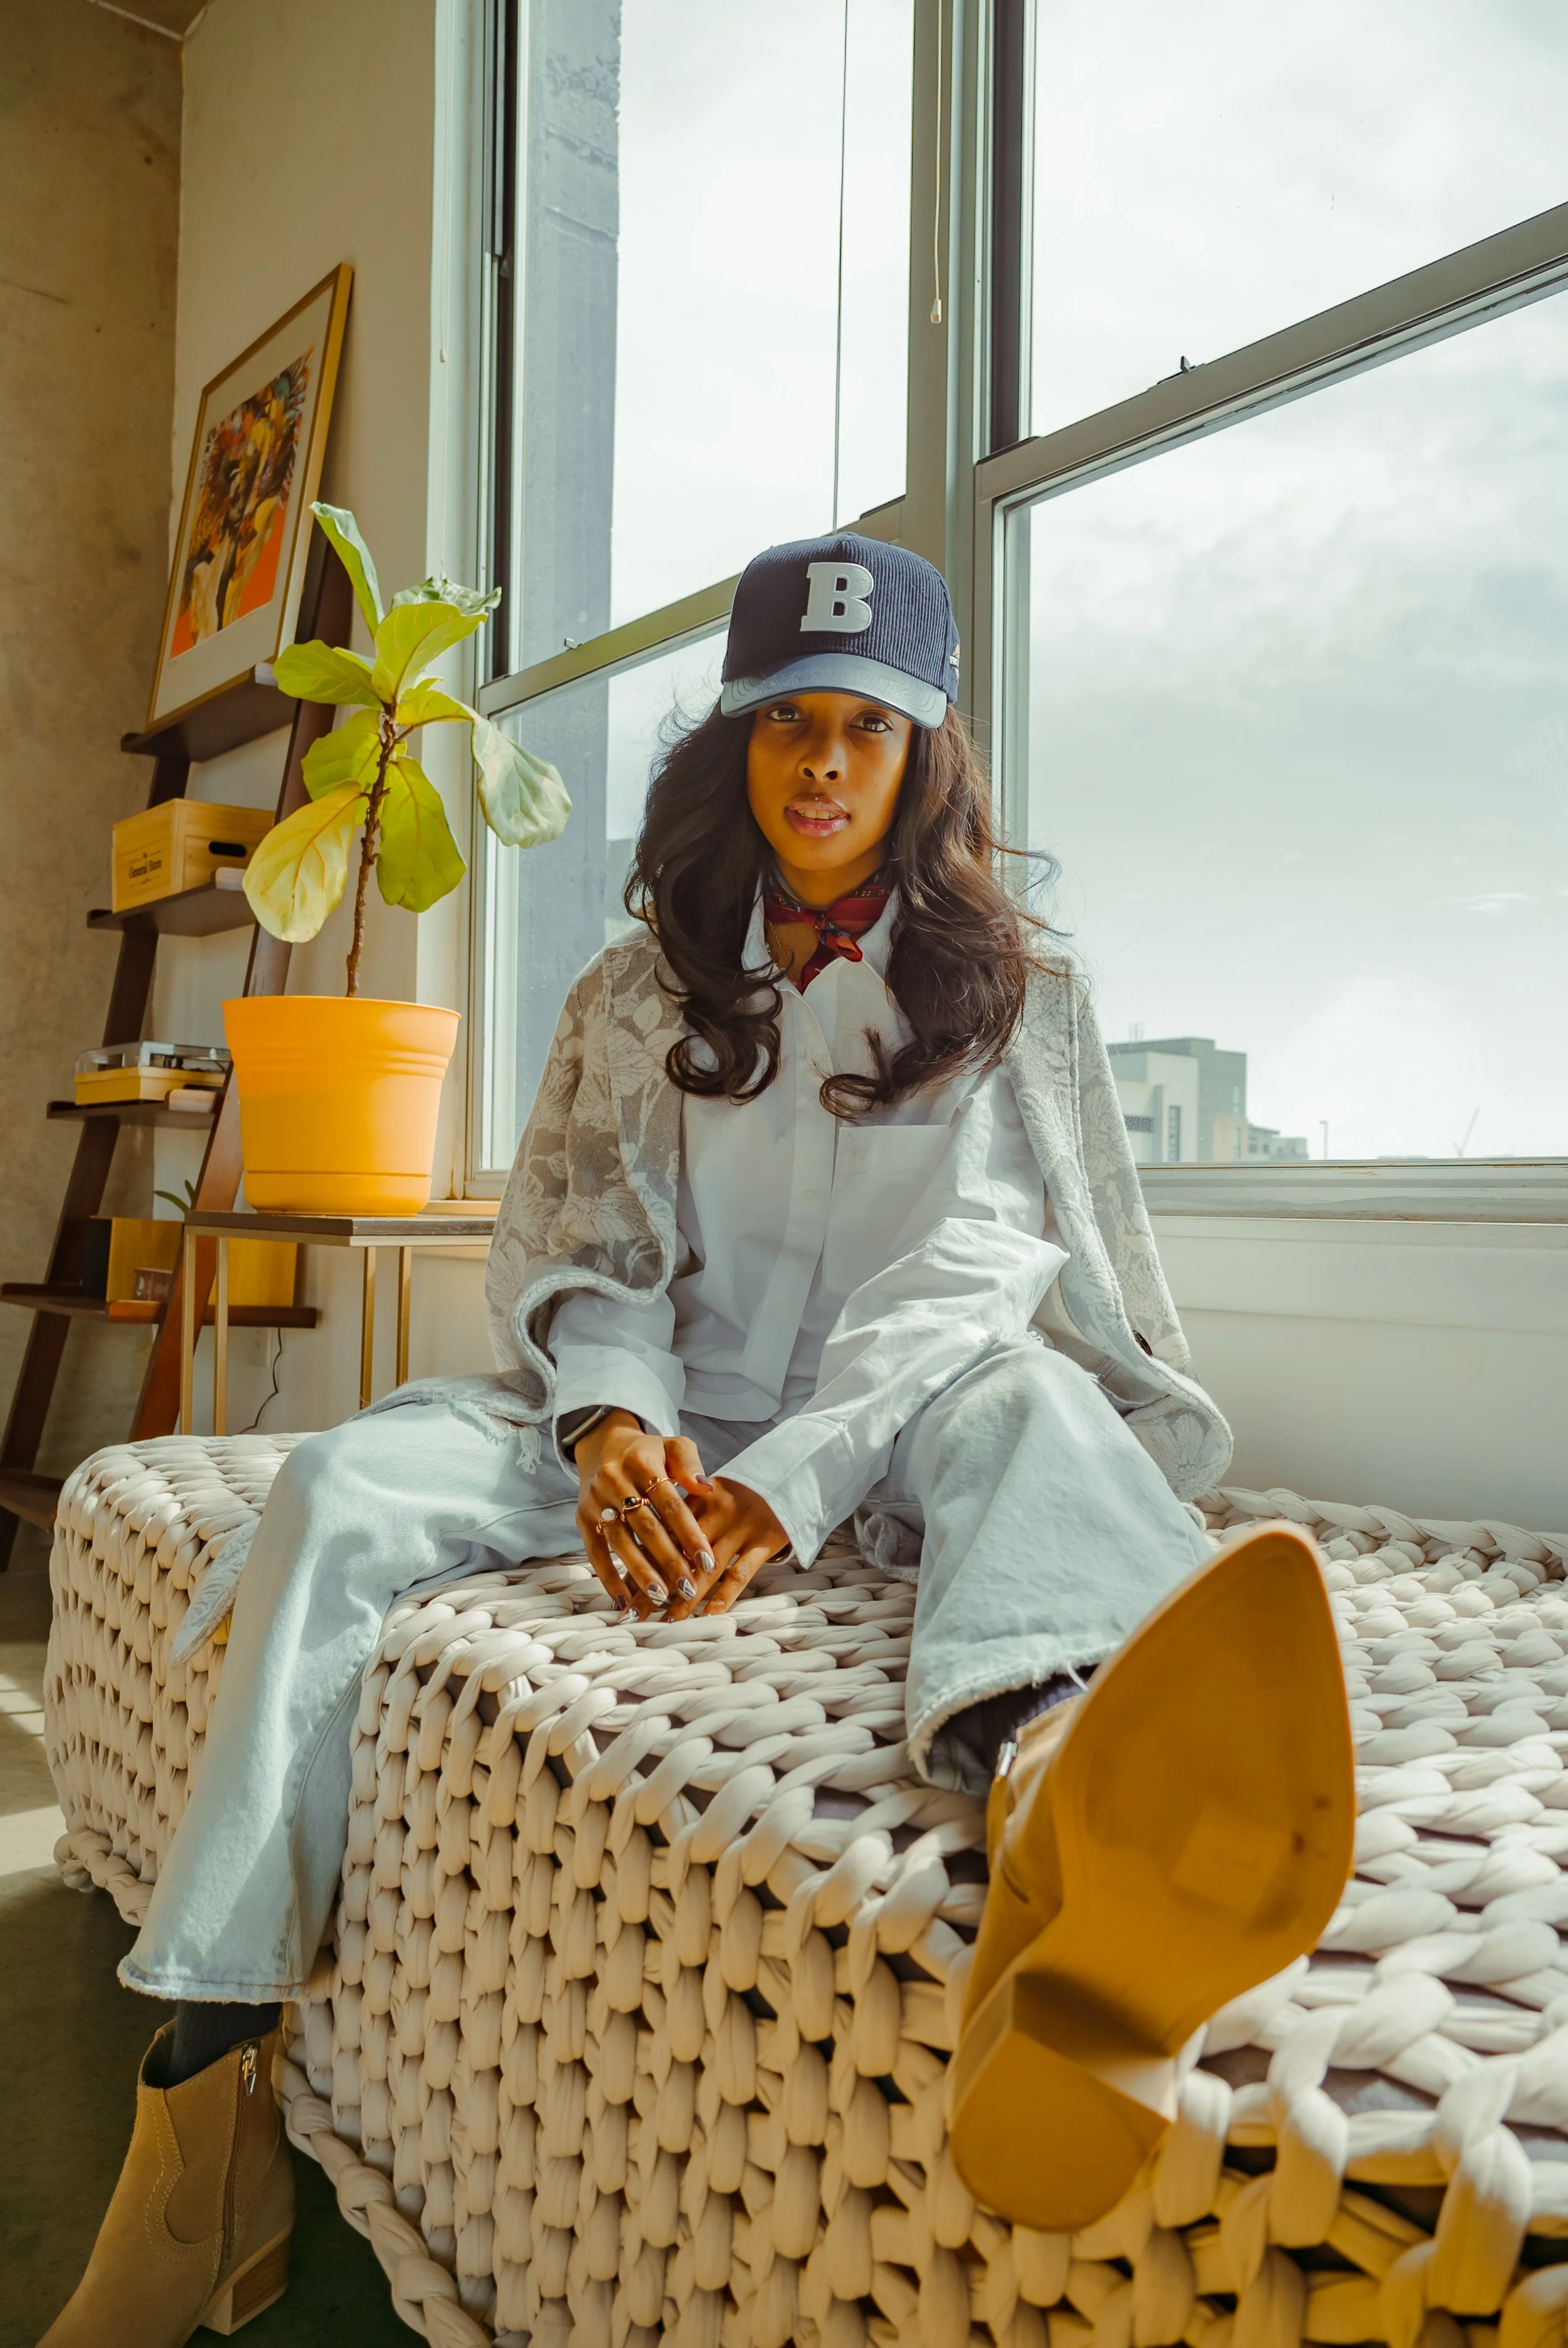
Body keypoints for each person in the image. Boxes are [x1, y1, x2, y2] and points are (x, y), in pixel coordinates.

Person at [40, 534, 1352, 2345]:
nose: (820, 764)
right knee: (342, 1481)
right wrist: (616, 1438)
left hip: (891, 1422)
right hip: (646, 1426)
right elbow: (590, 1248)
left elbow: (975, 1270)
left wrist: (786, 1482)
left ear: (925, 761)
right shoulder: (638, 987)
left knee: (1034, 1404)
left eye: (863, 732)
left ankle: (1068, 1808)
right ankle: (205, 2108)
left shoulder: (1012, 997)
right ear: (736, 749)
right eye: (785, 724)